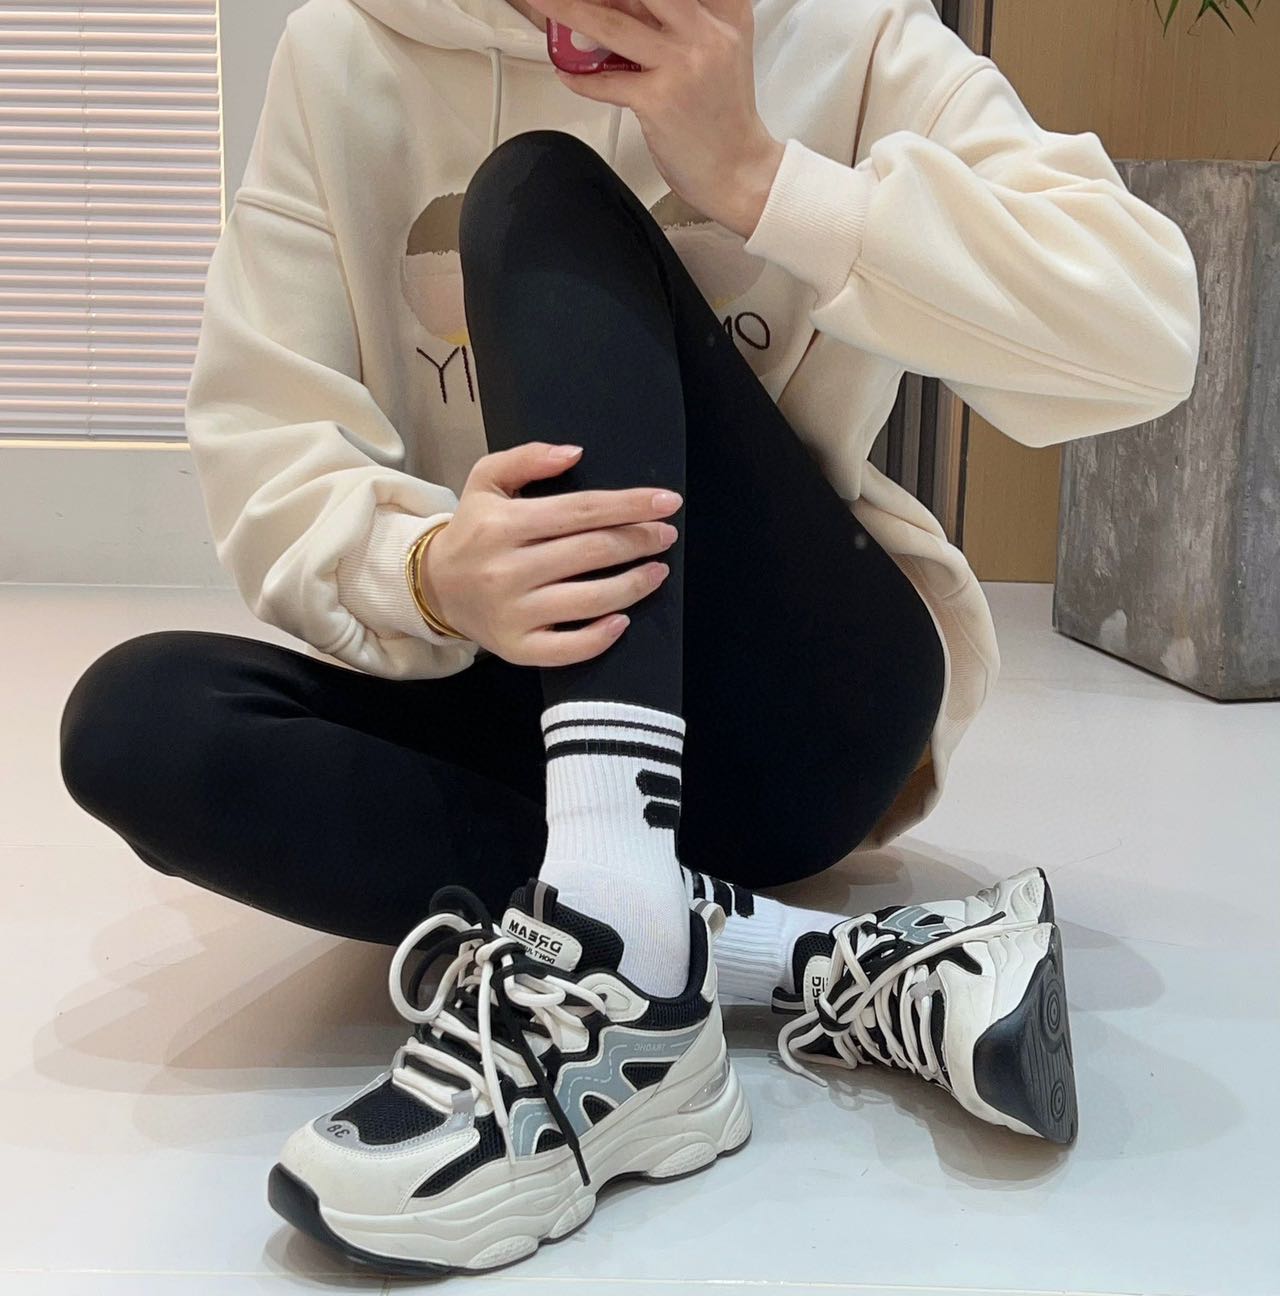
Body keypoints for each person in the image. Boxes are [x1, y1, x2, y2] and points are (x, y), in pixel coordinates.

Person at [57, 0, 1200, 1275]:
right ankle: (748, 952)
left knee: (535, 193)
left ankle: (621, 947)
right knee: (137, 725)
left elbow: (1146, 334)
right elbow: (266, 441)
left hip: (791, 724)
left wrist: (761, 177)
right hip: (524, 720)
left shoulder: (844, 28)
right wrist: (431, 570)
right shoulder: (348, 50)